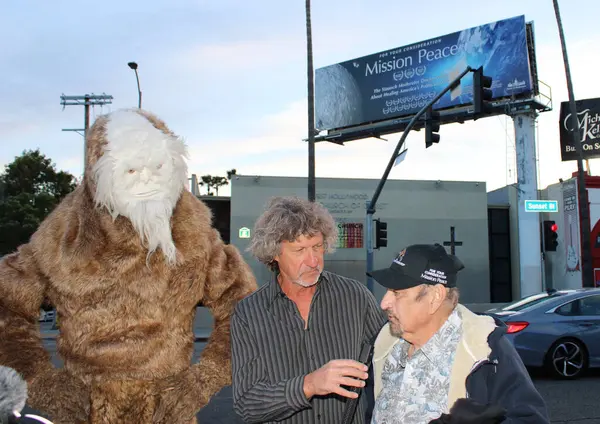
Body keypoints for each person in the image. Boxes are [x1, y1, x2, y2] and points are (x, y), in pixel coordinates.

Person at [231, 196, 388, 423]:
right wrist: (309, 384)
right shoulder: (249, 314)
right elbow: (247, 404)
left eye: (317, 247)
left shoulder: (355, 296)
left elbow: (390, 363)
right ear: (274, 253)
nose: (313, 261)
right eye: (299, 250)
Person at [368, 243, 550, 424]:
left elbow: (532, 420)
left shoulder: (485, 350)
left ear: (435, 296)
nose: (384, 303)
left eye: (397, 293)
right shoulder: (383, 346)